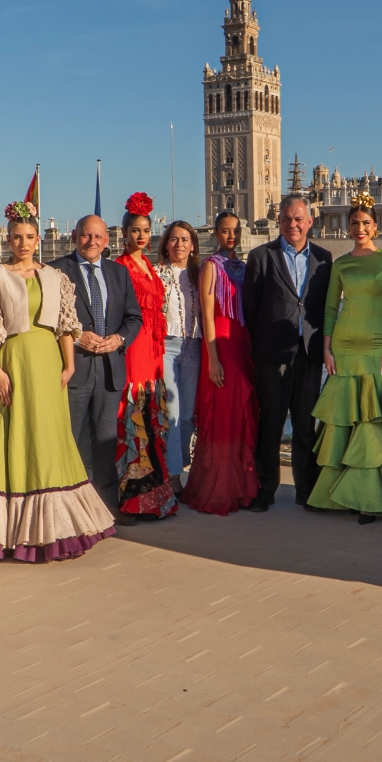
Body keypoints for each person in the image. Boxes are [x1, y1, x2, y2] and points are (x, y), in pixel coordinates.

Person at [0, 202, 117, 560]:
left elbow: (66, 323)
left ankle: (53, 531)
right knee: (5, 437)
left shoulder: (55, 277)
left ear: (37, 238)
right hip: (13, 362)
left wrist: (69, 365)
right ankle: (6, 531)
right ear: (9, 239)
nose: (23, 243)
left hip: (49, 366)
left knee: (49, 439)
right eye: (16, 237)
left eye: (29, 237)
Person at [307, 195, 382, 521]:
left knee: (370, 420)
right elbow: (330, 309)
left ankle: (369, 498)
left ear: (376, 227)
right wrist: (327, 348)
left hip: (374, 348)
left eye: (365, 223)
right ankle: (334, 496)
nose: (359, 228)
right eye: (354, 223)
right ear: (348, 227)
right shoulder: (340, 265)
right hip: (343, 345)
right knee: (343, 419)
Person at [243, 193, 333, 509]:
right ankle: (265, 490)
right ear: (278, 222)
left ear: (310, 221)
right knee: (270, 424)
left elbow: (325, 307)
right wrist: (260, 350)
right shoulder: (260, 256)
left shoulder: (324, 259)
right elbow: (249, 311)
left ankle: (305, 492)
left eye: (298, 218)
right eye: (286, 219)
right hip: (272, 356)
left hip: (309, 354)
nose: (292, 224)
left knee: (306, 426)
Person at [54, 214, 144, 520]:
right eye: (85, 236)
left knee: (106, 444)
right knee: (69, 440)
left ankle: (106, 509)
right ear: (75, 236)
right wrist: (77, 335)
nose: (91, 242)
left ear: (107, 241)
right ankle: (69, 510)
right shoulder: (56, 270)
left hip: (109, 371)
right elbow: (47, 318)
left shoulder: (118, 273)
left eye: (98, 237)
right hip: (73, 369)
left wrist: (119, 339)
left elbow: (134, 317)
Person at [180, 211, 261, 515]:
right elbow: (205, 314)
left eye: (236, 231)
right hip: (221, 347)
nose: (232, 236)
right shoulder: (211, 267)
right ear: (215, 233)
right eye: (226, 231)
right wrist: (213, 359)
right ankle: (219, 487)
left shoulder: (243, 266)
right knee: (226, 414)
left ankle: (244, 485)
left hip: (243, 344)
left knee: (243, 413)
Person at [113, 192, 178, 518]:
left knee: (151, 415)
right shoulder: (120, 267)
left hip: (153, 352)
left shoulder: (150, 268)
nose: (141, 236)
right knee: (134, 415)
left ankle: (156, 497)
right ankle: (132, 500)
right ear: (124, 234)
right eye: (135, 230)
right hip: (133, 351)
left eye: (145, 230)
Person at [155, 220, 203, 478]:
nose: (179, 244)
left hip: (194, 346)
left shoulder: (201, 274)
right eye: (174, 239)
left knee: (186, 416)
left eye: (184, 239)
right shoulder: (158, 273)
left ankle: (178, 464)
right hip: (168, 346)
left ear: (192, 245)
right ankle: (173, 477)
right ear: (166, 244)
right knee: (171, 414)